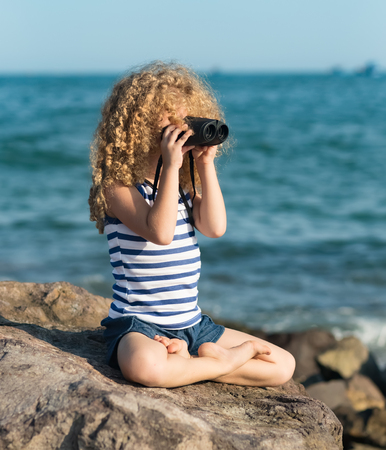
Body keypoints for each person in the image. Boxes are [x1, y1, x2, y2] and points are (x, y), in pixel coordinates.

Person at [89, 61, 295, 388]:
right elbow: (160, 231)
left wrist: (204, 163)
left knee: (283, 366)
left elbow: (215, 228)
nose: (180, 126)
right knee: (146, 368)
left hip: (192, 325)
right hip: (139, 325)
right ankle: (218, 363)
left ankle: (195, 363)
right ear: (138, 125)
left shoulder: (182, 191)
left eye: (184, 118)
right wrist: (171, 166)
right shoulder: (117, 189)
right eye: (170, 118)